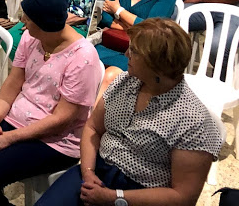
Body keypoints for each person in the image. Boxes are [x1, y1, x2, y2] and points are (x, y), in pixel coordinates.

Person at [36, 19, 222, 206]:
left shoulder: (193, 122)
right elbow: (93, 127)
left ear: (156, 65)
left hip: (142, 193)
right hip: (97, 171)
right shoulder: (123, 83)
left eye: (134, 51)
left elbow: (183, 196)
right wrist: (89, 173)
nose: (126, 54)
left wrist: (114, 197)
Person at [0, 0, 102, 206]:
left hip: (56, 140)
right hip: (18, 119)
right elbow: (12, 84)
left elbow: (62, 120)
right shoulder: (31, 37)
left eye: (27, 19)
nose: (22, 22)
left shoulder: (83, 58)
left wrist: (8, 138)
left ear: (44, 26)